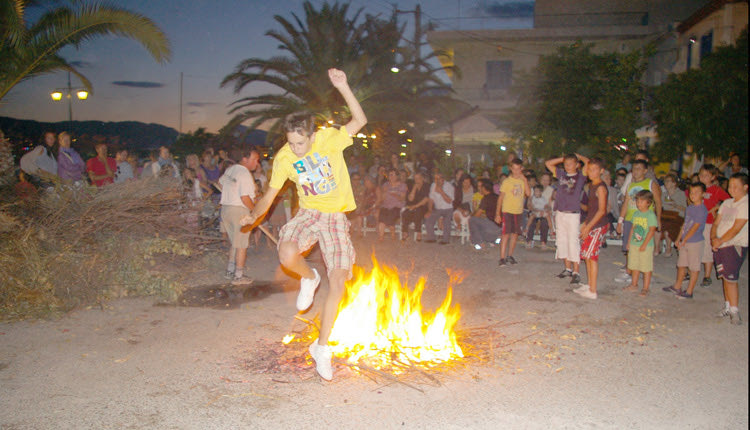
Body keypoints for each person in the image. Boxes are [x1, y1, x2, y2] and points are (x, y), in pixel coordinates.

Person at [239, 68, 367, 381]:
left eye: (300, 143)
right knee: (286, 254)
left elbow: (360, 121)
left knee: (338, 281)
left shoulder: (329, 139)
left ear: (312, 135)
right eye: (291, 143)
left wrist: (344, 86)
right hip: (309, 213)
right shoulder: (284, 158)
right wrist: (253, 215)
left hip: (335, 217)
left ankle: (322, 348)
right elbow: (270, 194)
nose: (296, 149)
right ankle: (308, 278)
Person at [615, 160, 662, 284]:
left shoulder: (651, 184)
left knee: (644, 247)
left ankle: (643, 273)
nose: (636, 171)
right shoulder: (630, 185)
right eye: (634, 168)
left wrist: (658, 219)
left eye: (639, 168)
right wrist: (620, 221)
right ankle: (630, 271)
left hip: (645, 221)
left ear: (645, 170)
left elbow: (658, 202)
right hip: (631, 219)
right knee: (629, 247)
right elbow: (626, 203)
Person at [218, 147, 260, 284]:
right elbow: (245, 198)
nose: (256, 163)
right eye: (254, 159)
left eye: (257, 160)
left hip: (226, 209)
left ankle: (230, 271)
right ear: (245, 159)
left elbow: (220, 183)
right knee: (242, 244)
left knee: (235, 242)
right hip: (239, 211)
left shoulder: (231, 169)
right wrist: (255, 212)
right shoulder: (245, 173)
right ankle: (239, 276)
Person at [545, 153, 589, 284]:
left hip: (573, 213)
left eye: (571, 163)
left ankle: (576, 271)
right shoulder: (561, 175)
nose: (568, 166)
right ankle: (567, 268)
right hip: (561, 212)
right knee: (562, 240)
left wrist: (578, 156)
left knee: (573, 241)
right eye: (566, 164)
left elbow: (588, 162)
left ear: (576, 165)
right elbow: (548, 163)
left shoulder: (580, 176)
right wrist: (563, 158)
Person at [712, 173, 748, 325]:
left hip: (733, 246)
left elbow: (736, 228)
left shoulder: (745, 204)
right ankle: (727, 306)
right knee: (724, 276)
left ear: (745, 187)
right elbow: (716, 223)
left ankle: (734, 310)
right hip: (720, 245)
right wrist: (713, 237)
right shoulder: (727, 203)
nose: (731, 189)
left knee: (731, 278)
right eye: (730, 186)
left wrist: (720, 240)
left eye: (736, 187)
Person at [662, 182, 708, 299]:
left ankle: (689, 291)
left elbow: (695, 227)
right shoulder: (690, 208)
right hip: (685, 241)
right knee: (681, 264)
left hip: (695, 242)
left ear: (703, 194)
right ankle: (677, 286)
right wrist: (678, 239)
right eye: (691, 192)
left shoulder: (702, 210)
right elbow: (684, 225)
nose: (693, 195)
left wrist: (685, 240)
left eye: (697, 193)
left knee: (693, 267)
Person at [574, 158, 609, 299]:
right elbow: (591, 209)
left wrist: (588, 226)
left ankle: (593, 291)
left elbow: (601, 210)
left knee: (592, 257)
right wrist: (585, 225)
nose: (591, 172)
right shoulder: (592, 185)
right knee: (587, 255)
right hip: (591, 223)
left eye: (594, 169)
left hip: (598, 225)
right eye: (589, 169)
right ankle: (590, 285)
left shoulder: (600, 187)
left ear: (601, 171)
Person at [695, 164, 730, 287]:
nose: (702, 178)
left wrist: (717, 207)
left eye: (706, 176)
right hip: (697, 221)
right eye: (701, 175)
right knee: (694, 247)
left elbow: (729, 200)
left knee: (707, 251)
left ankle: (707, 276)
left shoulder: (715, 190)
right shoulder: (698, 188)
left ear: (713, 177)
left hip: (709, 223)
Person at [623, 190, 658, 296]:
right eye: (638, 201)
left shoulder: (650, 215)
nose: (639, 204)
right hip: (634, 244)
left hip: (646, 246)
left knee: (646, 267)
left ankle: (645, 288)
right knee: (634, 265)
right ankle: (634, 284)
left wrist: (644, 245)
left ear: (649, 203)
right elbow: (633, 229)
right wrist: (629, 242)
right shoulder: (636, 213)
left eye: (642, 201)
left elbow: (652, 231)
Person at [496, 158, 530, 266]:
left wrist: (525, 180)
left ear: (521, 169)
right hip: (507, 211)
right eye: (514, 169)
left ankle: (509, 255)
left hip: (518, 211)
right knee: (506, 233)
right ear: (511, 169)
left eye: (518, 169)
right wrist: (498, 213)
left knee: (515, 234)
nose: (516, 171)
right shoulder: (507, 182)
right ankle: (502, 257)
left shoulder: (522, 181)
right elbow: (500, 198)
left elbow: (528, 194)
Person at [658, 173, 687, 257]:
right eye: (665, 181)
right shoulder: (663, 194)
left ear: (674, 183)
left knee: (669, 227)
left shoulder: (681, 194)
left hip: (677, 216)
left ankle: (668, 248)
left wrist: (676, 205)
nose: (665, 183)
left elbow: (686, 209)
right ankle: (657, 248)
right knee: (657, 225)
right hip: (666, 215)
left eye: (668, 181)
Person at [469, 178, 502, 250]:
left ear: (484, 188)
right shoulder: (496, 196)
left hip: (493, 227)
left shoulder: (486, 199)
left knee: (472, 220)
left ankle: (480, 243)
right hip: (500, 227)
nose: (479, 189)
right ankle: (493, 240)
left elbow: (477, 215)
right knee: (479, 225)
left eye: (480, 187)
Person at [424, 170, 455, 244]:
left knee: (446, 221)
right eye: (435, 179)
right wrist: (429, 210)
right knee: (428, 218)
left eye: (438, 179)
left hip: (448, 209)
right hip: (438, 209)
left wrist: (441, 191)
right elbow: (431, 199)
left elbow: (449, 201)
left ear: (443, 179)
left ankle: (446, 240)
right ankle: (431, 237)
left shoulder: (449, 186)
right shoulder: (433, 185)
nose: (437, 181)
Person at [376, 168, 407, 241]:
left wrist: (395, 194)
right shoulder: (386, 185)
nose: (391, 177)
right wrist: (384, 192)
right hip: (386, 206)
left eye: (393, 175)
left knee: (391, 215)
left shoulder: (402, 185)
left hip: (397, 206)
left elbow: (402, 199)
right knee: (382, 217)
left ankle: (392, 233)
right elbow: (382, 199)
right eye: (390, 175)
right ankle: (381, 237)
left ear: (397, 176)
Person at [401, 171, 430, 241]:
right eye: (415, 179)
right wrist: (414, 188)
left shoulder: (426, 186)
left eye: (418, 178)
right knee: (405, 212)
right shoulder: (412, 186)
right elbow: (410, 199)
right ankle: (405, 233)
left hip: (424, 207)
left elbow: (426, 199)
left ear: (422, 178)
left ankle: (418, 232)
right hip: (413, 206)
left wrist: (415, 206)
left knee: (418, 211)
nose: (417, 180)